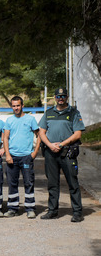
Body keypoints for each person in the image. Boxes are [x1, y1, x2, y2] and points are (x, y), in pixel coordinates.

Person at [38, 88, 85, 222]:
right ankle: (52, 211)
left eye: (63, 96)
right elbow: (41, 132)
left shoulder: (74, 113)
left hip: (67, 153)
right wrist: (50, 145)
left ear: (67, 97)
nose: (60, 98)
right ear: (55, 97)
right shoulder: (49, 113)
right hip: (50, 153)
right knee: (52, 183)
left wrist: (61, 144)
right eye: (58, 96)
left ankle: (77, 212)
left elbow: (77, 134)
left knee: (73, 183)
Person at [3, 96, 41, 219]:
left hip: (26, 157)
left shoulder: (30, 119)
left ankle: (30, 208)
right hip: (12, 157)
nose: (16, 108)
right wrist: (7, 155)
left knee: (28, 182)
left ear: (22, 105)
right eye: (13, 106)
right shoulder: (9, 120)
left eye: (18, 105)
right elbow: (5, 138)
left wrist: (35, 152)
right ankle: (13, 208)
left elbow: (39, 135)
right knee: (12, 183)